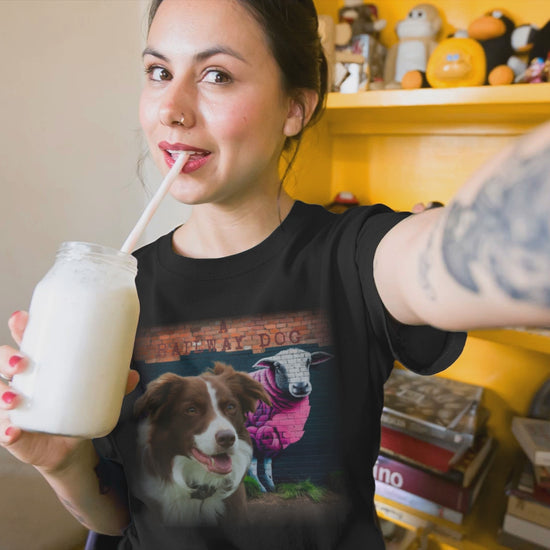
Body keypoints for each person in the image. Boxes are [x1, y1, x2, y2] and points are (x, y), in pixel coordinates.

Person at [1, 1, 549, 548]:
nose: (171, 108)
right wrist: (64, 464)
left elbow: (456, 253)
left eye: (216, 75)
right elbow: (117, 518)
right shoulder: (120, 293)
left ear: (294, 109)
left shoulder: (356, 256)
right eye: (159, 72)